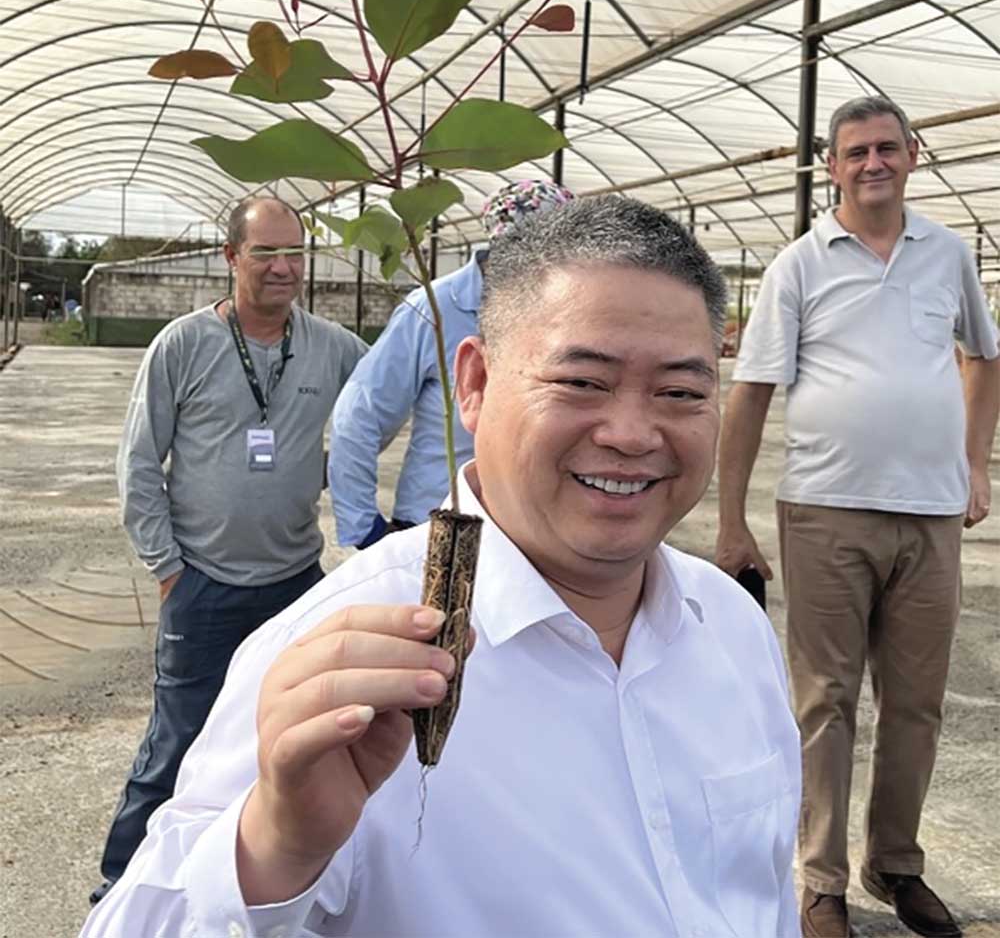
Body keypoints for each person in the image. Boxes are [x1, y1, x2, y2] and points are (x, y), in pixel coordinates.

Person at [82, 196, 801, 938]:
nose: (629, 433)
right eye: (582, 382)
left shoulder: (733, 631)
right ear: (476, 384)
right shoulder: (351, 667)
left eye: (681, 392)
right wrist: (275, 845)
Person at [715, 96, 1000, 938]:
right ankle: (822, 880)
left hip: (931, 515)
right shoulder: (800, 265)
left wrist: (974, 466)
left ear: (914, 154)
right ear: (831, 168)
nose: (873, 162)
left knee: (916, 701)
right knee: (825, 700)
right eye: (854, 152)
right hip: (825, 509)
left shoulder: (946, 254)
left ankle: (897, 864)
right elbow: (752, 393)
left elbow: (984, 357)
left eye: (886, 147)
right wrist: (730, 521)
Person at [89, 195, 368, 905]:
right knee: (176, 740)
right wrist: (168, 567)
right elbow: (140, 462)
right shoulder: (183, 344)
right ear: (230, 257)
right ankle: (123, 887)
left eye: (296, 253)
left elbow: (388, 397)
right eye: (266, 252)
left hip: (297, 581)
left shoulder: (332, 347)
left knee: (284, 741)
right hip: (204, 582)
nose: (284, 267)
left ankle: (254, 879)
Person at [329, 178, 574, 549]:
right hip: (440, 527)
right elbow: (360, 413)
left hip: (533, 534)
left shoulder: (562, 313)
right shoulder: (436, 308)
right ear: (499, 243)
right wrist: (365, 529)